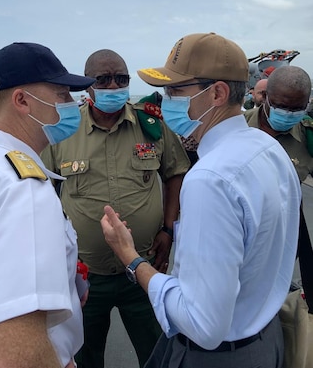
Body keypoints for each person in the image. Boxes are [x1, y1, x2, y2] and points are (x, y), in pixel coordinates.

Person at [100, 32, 301, 368]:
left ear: (218, 93)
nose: (166, 101)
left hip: (220, 356)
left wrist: (131, 259)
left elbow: (202, 325)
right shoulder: (268, 150)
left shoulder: (210, 179)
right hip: (266, 338)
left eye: (176, 91)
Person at [41, 48, 190, 368]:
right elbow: (43, 189)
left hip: (143, 267)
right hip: (83, 273)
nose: (113, 86)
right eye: (103, 79)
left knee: (155, 350)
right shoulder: (63, 130)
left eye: (120, 79)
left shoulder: (151, 123)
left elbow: (176, 172)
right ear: (87, 86)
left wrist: (168, 229)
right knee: (84, 351)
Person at [0, 42, 95, 368]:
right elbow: (16, 357)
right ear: (22, 100)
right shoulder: (22, 189)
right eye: (62, 94)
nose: (71, 103)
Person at [244, 66, 313, 183]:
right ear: (266, 97)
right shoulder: (238, 125)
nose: (288, 114)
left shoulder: (308, 134)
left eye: (297, 109)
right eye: (281, 107)